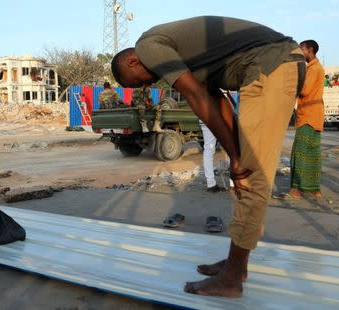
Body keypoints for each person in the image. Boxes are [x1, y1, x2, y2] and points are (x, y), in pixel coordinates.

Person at [111, 16, 306, 298]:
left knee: (251, 175)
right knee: (245, 167)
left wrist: (239, 159)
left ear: (132, 62)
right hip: (268, 64)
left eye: (135, 84)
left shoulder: (148, 47)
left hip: (270, 65)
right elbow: (214, 99)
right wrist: (234, 152)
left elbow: (196, 97)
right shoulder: (181, 54)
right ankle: (236, 266)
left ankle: (232, 278)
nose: (142, 88)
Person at [283, 40, 324, 199]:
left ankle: (296, 190)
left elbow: (305, 90)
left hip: (308, 116)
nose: (300, 52)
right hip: (314, 116)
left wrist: (292, 82)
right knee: (312, 153)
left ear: (310, 50)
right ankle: (314, 189)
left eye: (302, 49)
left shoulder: (313, 69)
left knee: (300, 152)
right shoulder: (315, 68)